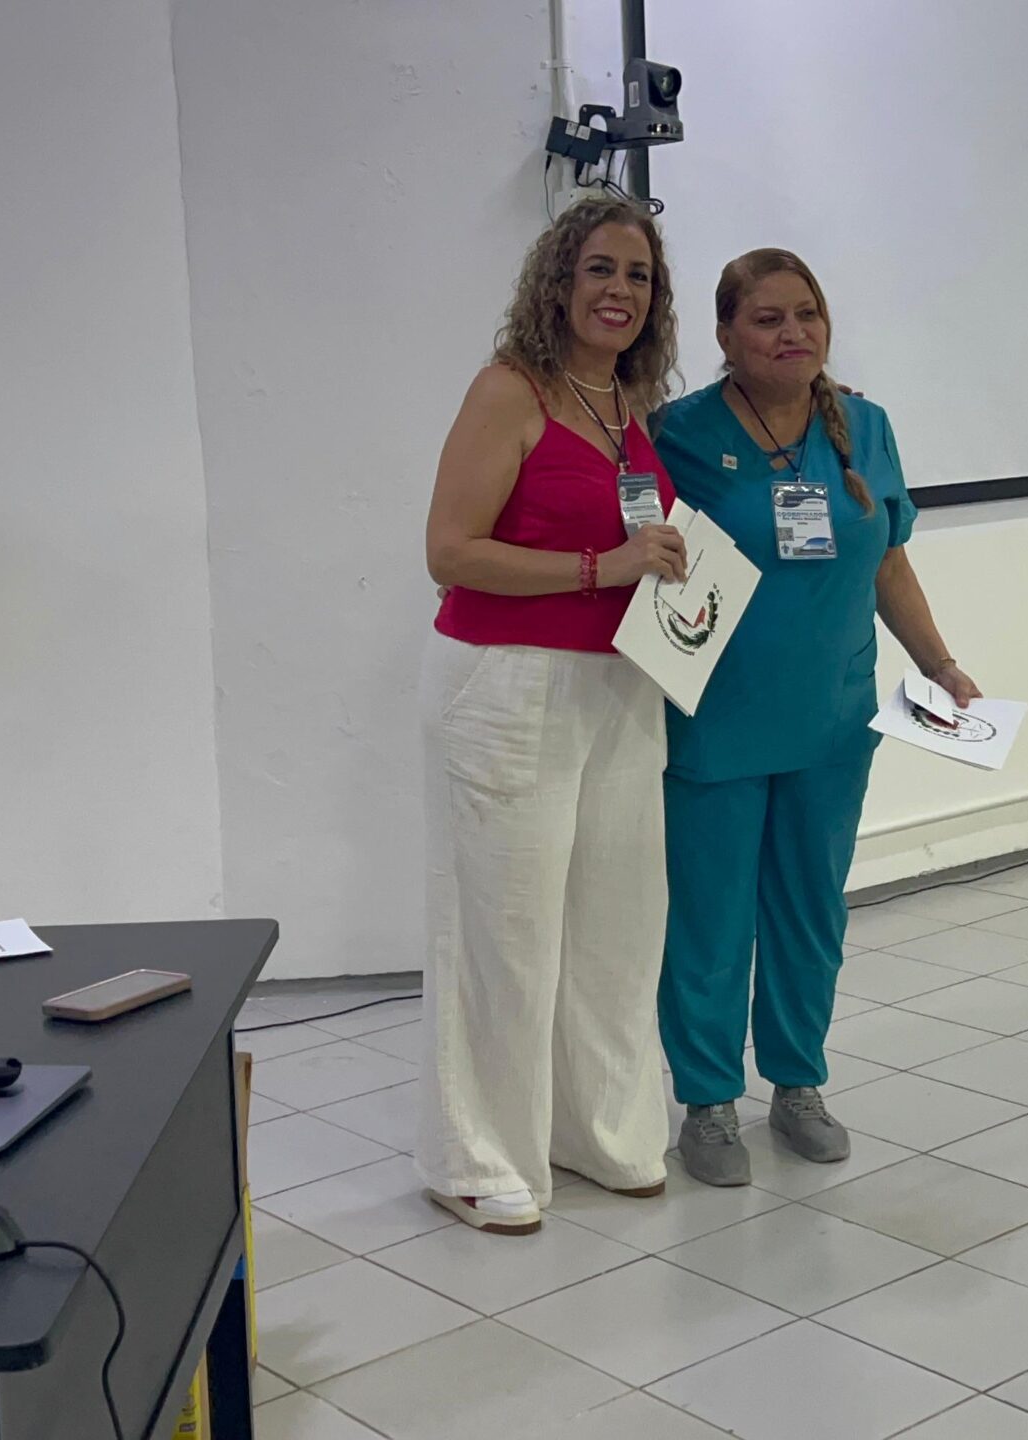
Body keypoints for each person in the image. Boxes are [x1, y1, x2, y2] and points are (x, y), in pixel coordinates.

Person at [651, 248, 979, 1187]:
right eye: (767, 319)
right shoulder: (679, 434)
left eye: (807, 314)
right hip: (715, 720)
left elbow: (888, 561)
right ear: (725, 335)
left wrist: (941, 665)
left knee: (809, 912)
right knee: (712, 919)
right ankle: (709, 1101)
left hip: (833, 721)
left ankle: (797, 1084)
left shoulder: (864, 428)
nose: (792, 333)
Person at [415, 197, 689, 1234]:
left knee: (618, 923)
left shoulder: (626, 401)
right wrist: (599, 567)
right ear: (558, 281)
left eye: (639, 275)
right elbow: (449, 552)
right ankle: (475, 1156)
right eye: (600, 269)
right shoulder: (509, 390)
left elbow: (635, 546)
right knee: (505, 930)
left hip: (620, 684)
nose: (620, 290)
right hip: (507, 683)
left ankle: (598, 1130)